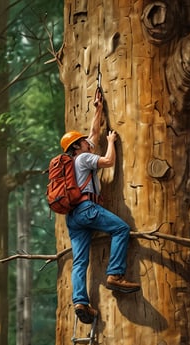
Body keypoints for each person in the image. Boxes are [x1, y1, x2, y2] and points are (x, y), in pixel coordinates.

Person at [61, 89, 140, 324]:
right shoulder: (84, 158)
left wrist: (98, 108)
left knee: (80, 261)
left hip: (73, 216)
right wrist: (112, 142)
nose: (89, 140)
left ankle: (80, 301)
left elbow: (94, 132)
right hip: (87, 209)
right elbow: (108, 161)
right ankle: (115, 274)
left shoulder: (76, 159)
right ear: (77, 146)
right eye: (84, 141)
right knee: (121, 229)